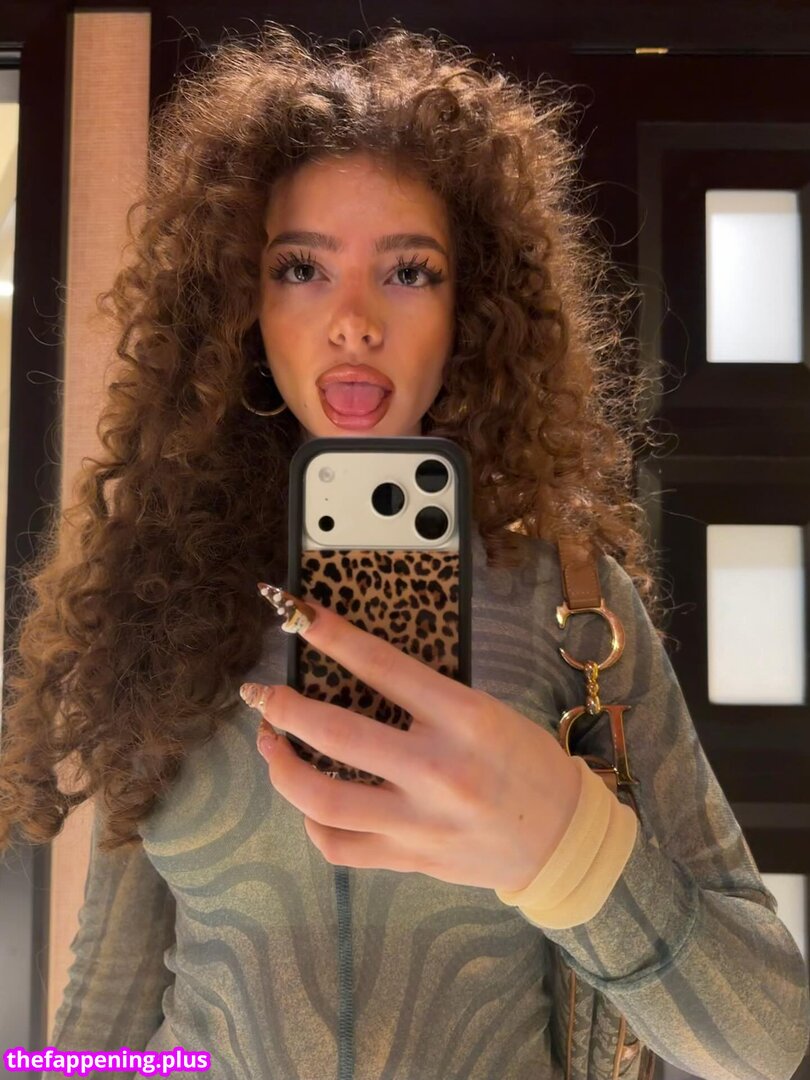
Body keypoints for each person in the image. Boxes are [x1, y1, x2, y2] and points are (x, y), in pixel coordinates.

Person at [0, 21, 807, 1080]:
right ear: (241, 304)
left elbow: (767, 1039)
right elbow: (105, 1011)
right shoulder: (169, 607)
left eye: (410, 271)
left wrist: (566, 846)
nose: (353, 321)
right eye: (301, 267)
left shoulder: (572, 607)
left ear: (473, 308)